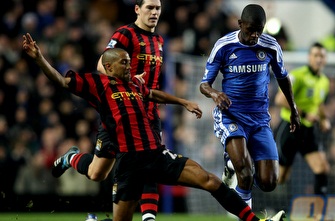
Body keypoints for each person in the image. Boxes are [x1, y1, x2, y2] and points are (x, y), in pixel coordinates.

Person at [22, 33, 286, 221]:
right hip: (128, 163)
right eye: (124, 62)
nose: (129, 66)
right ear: (109, 66)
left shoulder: (136, 84)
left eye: (129, 61)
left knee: (210, 180)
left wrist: (182, 101)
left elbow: (154, 94)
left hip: (157, 155)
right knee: (100, 180)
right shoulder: (97, 84)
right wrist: (39, 59)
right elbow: (61, 81)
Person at [52, 1, 165, 220]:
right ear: (137, 9)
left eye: (158, 8)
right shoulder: (124, 34)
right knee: (97, 173)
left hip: (148, 115)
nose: (154, 12)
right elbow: (102, 65)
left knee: (151, 163)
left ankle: (149, 217)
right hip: (120, 114)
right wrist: (130, 82)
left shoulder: (159, 40)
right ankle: (72, 158)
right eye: (149, 7)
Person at [199, 3, 300, 212]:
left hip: (260, 119)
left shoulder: (270, 46)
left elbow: (283, 77)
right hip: (232, 116)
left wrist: (293, 109)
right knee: (244, 174)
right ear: (240, 24)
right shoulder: (224, 46)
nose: (254, 35)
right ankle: (243, 210)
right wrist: (215, 94)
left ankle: (233, 166)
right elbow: (204, 84)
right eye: (250, 30)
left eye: (259, 30)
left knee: (269, 182)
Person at [274, 42, 331, 195]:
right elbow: (280, 100)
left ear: (325, 59)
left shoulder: (325, 81)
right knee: (280, 178)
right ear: (309, 57)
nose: (319, 59)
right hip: (290, 128)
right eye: (316, 55)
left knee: (322, 168)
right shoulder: (297, 75)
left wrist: (324, 119)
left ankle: (320, 214)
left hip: (307, 131)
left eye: (322, 56)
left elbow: (319, 104)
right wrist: (305, 114)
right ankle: (243, 190)